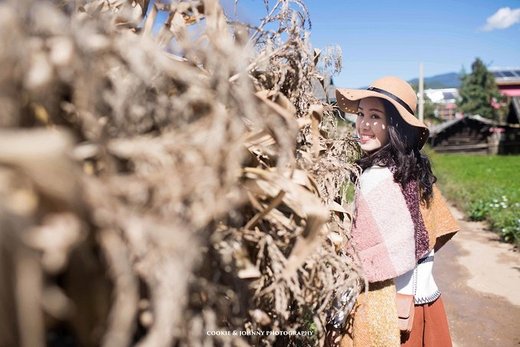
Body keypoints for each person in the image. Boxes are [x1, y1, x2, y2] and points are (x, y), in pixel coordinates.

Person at [328, 76, 459, 347]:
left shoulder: (375, 179)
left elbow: (360, 265)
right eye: (361, 113)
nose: (363, 124)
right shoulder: (416, 173)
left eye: (375, 116)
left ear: (396, 126)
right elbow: (436, 232)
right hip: (428, 305)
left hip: (391, 314)